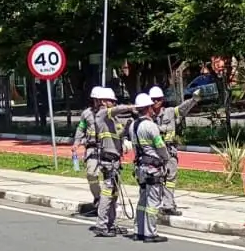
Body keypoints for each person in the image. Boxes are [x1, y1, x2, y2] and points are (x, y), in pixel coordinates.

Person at [149, 84, 202, 215]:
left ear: (162, 100)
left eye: (158, 99)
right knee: (156, 179)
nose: (155, 102)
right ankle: (154, 204)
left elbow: (183, 108)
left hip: (169, 151)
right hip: (154, 153)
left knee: (170, 179)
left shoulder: (170, 112)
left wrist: (194, 99)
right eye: (153, 99)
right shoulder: (147, 116)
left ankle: (168, 204)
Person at [128, 93, 171, 243]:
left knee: (142, 200)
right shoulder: (151, 126)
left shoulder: (133, 126)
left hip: (140, 166)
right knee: (153, 202)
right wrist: (166, 159)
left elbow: (134, 147)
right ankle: (150, 233)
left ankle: (138, 230)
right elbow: (160, 146)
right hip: (153, 167)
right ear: (147, 108)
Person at [92, 87, 135, 238]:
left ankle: (110, 223)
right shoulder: (103, 114)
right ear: (103, 101)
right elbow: (117, 110)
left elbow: (117, 136)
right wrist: (132, 106)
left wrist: (128, 126)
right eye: (111, 101)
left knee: (114, 194)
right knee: (107, 193)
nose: (113, 103)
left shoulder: (112, 120)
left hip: (115, 160)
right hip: (108, 160)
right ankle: (101, 225)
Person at [72, 86, 103, 214]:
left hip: (107, 148)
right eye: (97, 100)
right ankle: (98, 197)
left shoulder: (110, 112)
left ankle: (108, 202)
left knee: (110, 178)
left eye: (102, 100)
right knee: (91, 174)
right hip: (92, 149)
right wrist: (76, 143)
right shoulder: (87, 114)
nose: (100, 103)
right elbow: (81, 128)